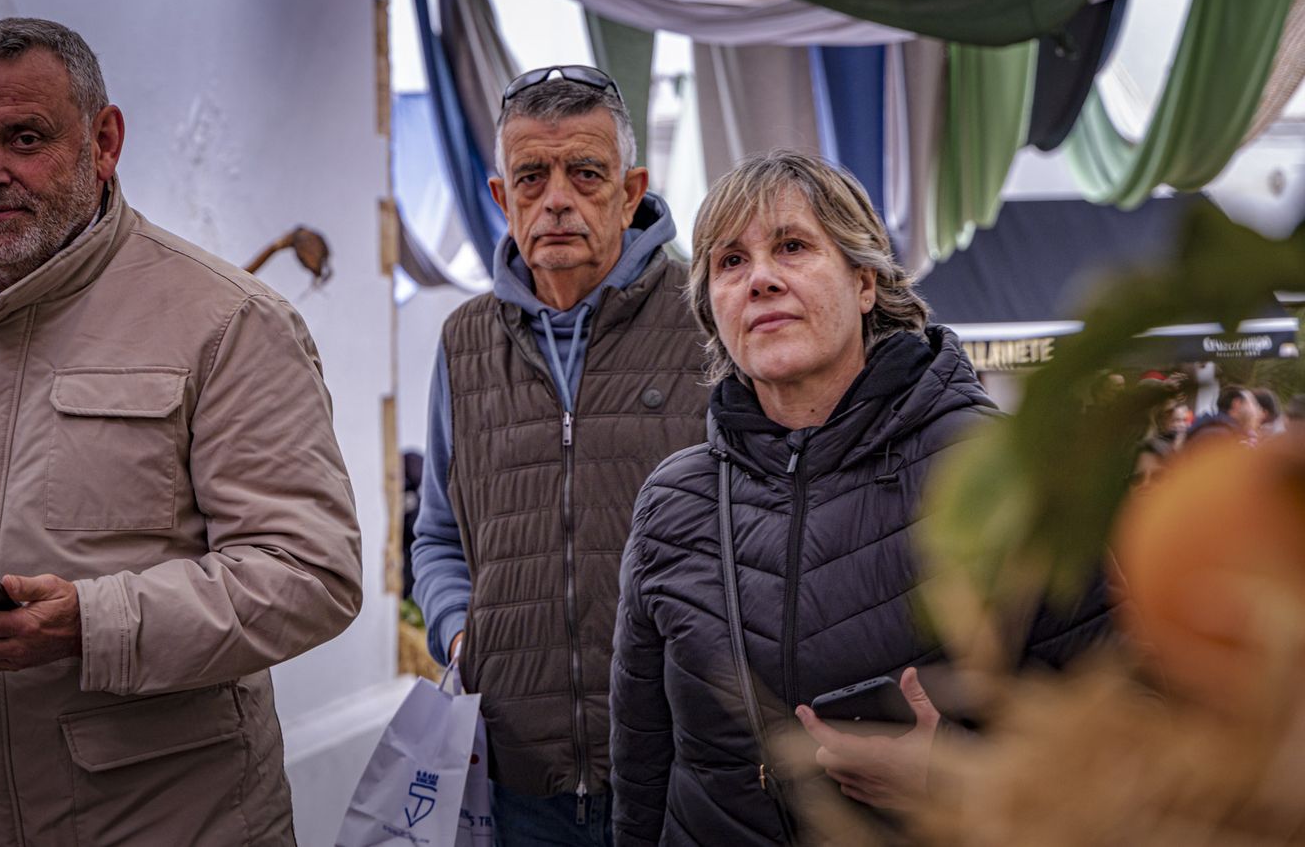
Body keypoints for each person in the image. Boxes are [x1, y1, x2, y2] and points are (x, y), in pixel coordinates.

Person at [0, 18, 361, 845]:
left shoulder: (228, 321)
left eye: (24, 138)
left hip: (178, 825)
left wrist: (88, 623)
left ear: (104, 141)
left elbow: (310, 571)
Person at [608, 151, 1110, 844]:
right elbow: (641, 765)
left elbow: (1134, 727)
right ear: (711, 309)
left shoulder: (995, 472)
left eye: (792, 246)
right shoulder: (673, 503)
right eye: (730, 262)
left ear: (865, 279)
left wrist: (955, 773)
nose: (761, 280)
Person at [410, 65, 709, 843]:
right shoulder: (463, 342)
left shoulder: (706, 322)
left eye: (586, 174)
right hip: (517, 777)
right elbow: (440, 535)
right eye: (532, 178)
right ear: (502, 198)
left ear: (631, 189)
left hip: (679, 759)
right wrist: (464, 636)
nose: (558, 202)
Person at [1187, 385, 1262, 446]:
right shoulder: (1218, 435)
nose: (1258, 410)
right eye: (1254, 403)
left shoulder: (1225, 431)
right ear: (1237, 404)